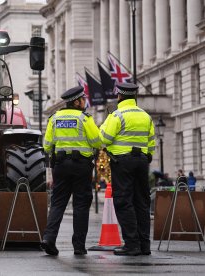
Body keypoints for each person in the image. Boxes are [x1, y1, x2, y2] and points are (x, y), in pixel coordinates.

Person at [40, 86, 102, 256]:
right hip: (81, 166)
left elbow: (46, 146)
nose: (85, 102)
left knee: (58, 203)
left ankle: (49, 239)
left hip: (60, 165)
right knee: (81, 205)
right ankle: (79, 246)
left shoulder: (54, 118)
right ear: (77, 101)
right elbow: (97, 142)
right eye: (83, 99)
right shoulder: (85, 118)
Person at [99, 82, 155, 256]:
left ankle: (131, 244)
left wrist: (103, 126)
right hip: (142, 161)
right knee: (142, 202)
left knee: (124, 202)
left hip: (122, 162)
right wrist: (146, 157)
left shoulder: (117, 115)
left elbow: (104, 139)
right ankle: (144, 245)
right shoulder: (146, 116)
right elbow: (151, 142)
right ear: (135, 96)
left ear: (120, 96)